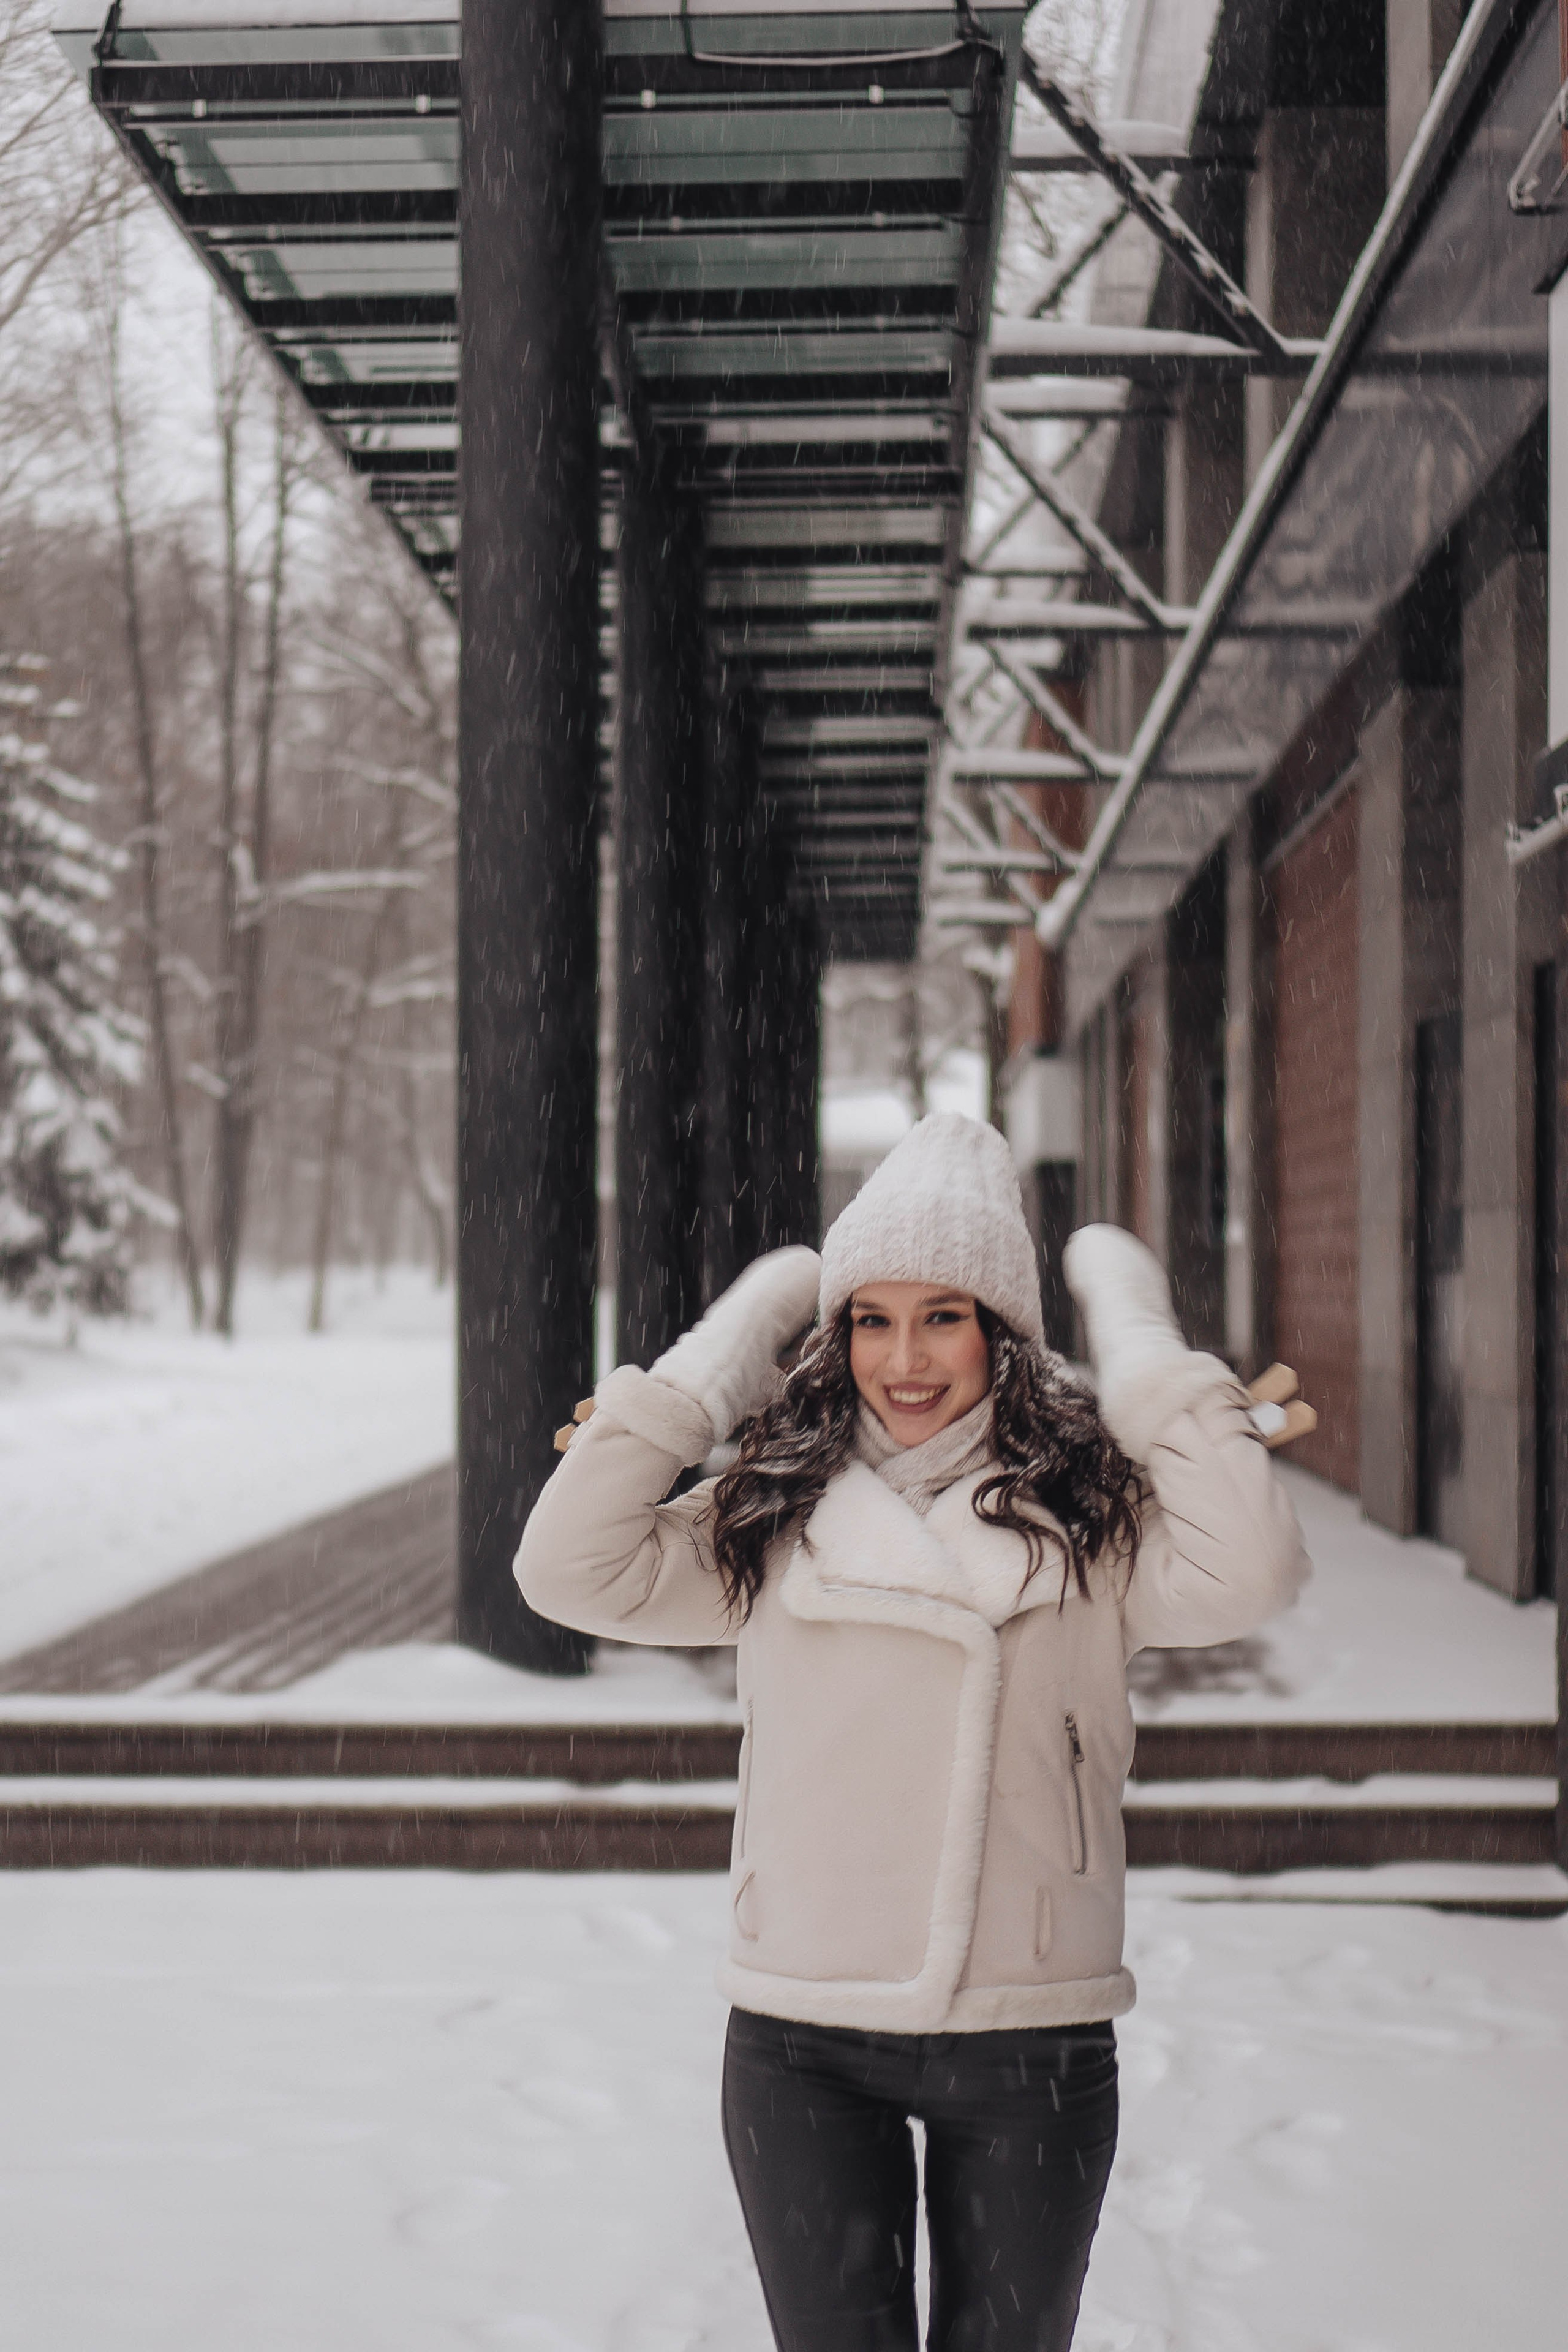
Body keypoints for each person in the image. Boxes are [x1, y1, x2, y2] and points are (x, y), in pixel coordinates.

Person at [516, 1112, 1309, 2352]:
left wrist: (1146, 1355)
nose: (905, 1359)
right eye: (868, 1319)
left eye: (942, 1315)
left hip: (1028, 2037)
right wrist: (712, 1367)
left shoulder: (1089, 1519)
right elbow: (568, 1569)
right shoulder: (769, 1511)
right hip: (800, 2038)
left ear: (1000, 1334)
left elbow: (1251, 1568)